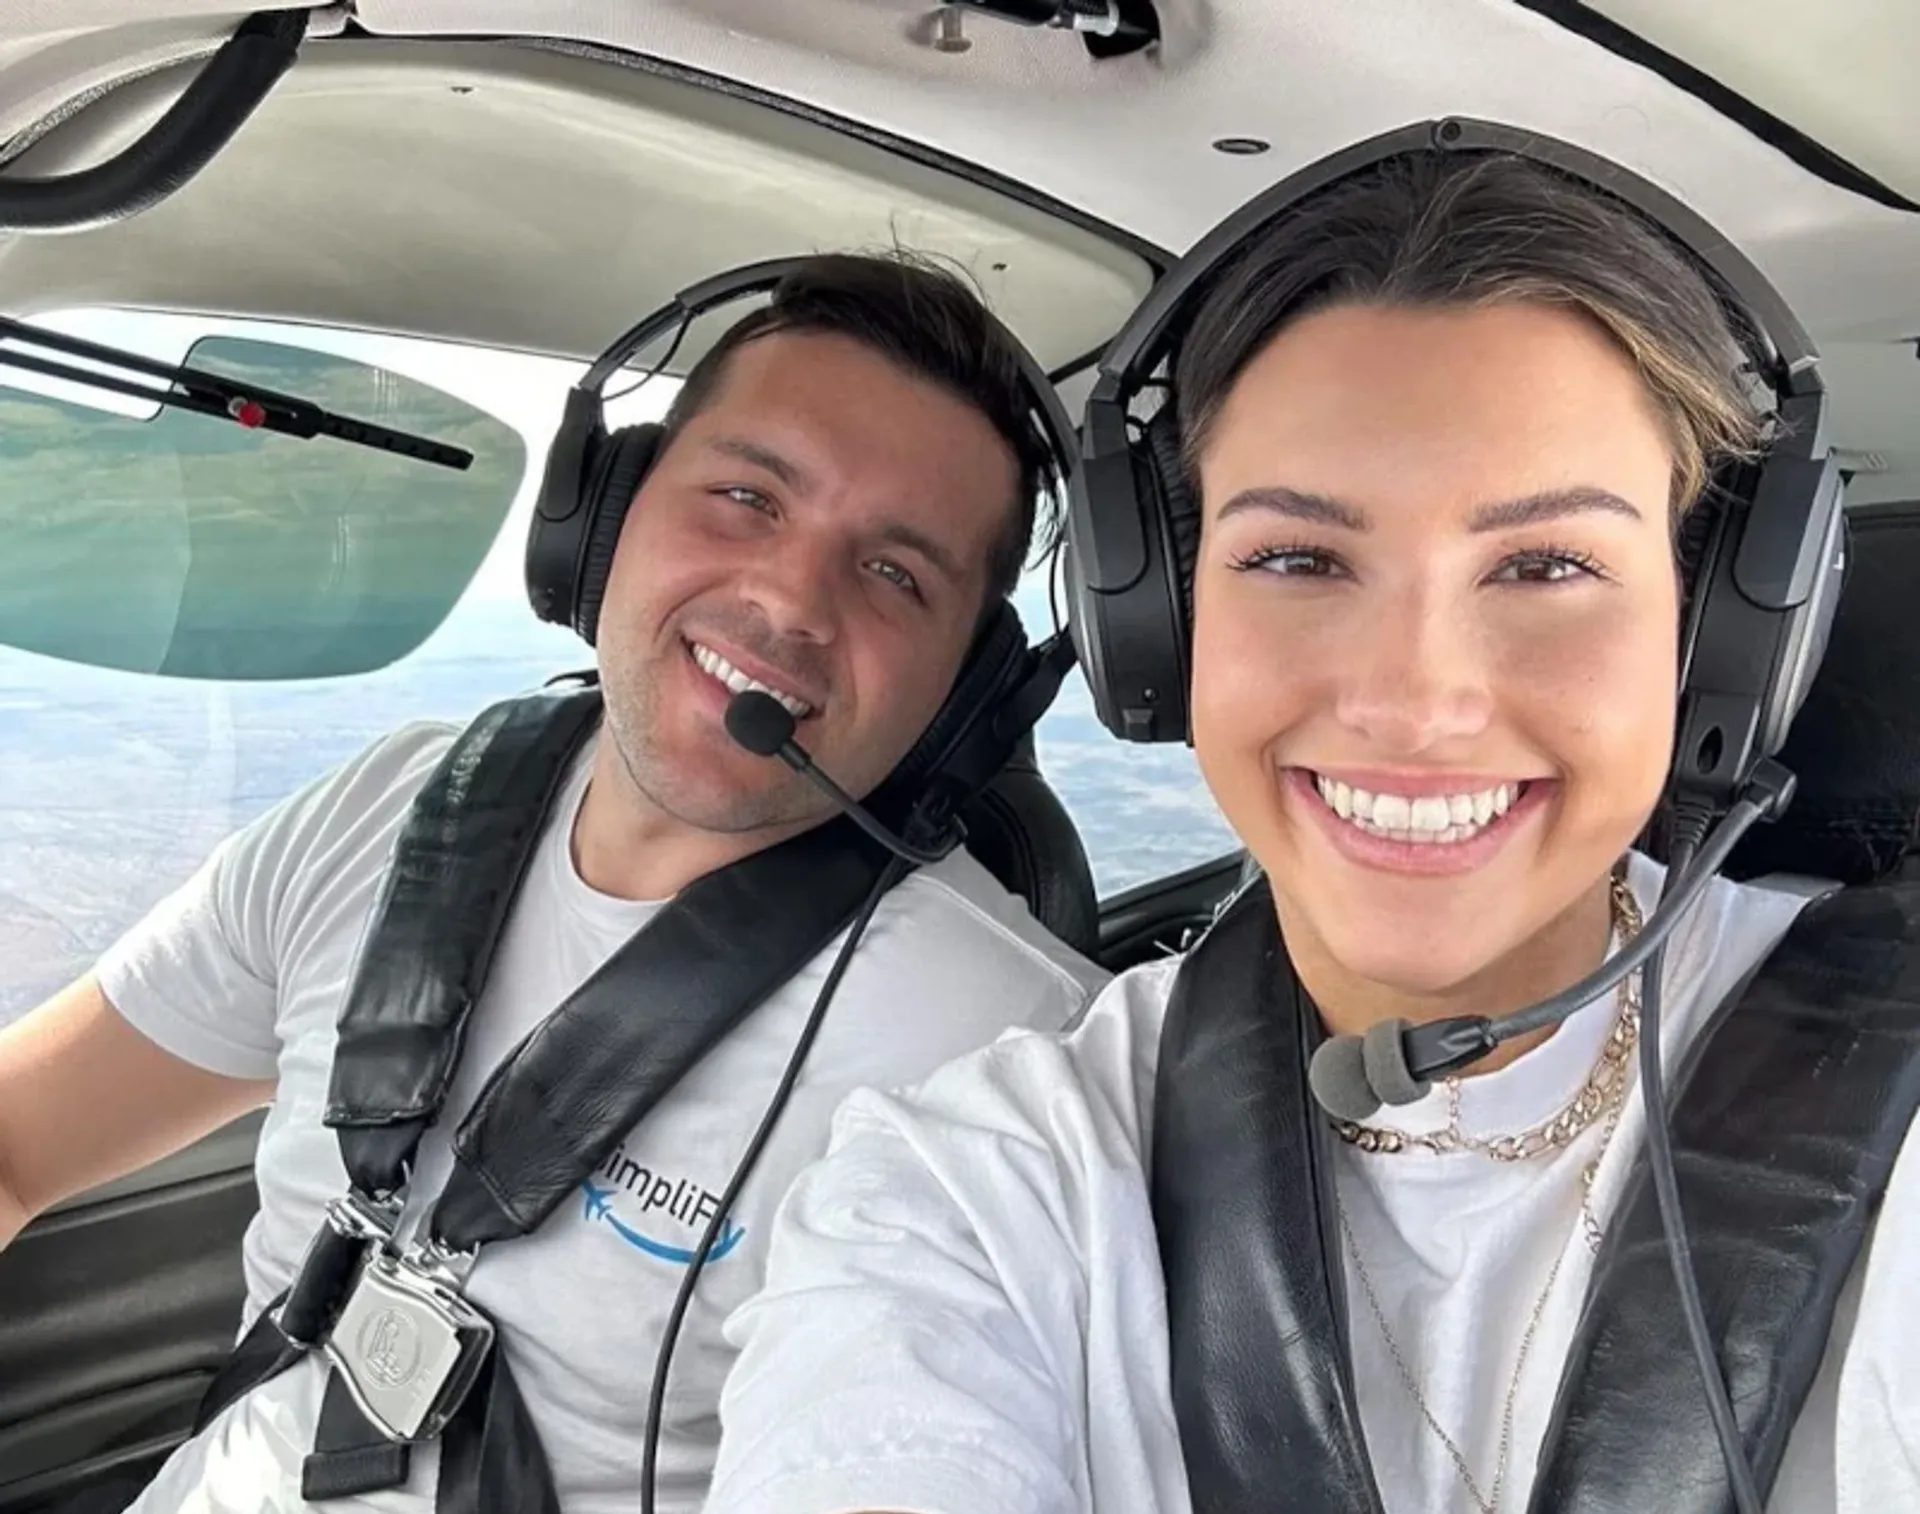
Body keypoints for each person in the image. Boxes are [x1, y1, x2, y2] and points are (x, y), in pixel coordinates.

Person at [704, 141, 1920, 1514]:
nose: (1415, 701)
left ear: (1720, 640)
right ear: (1159, 625)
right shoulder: (971, 1188)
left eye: (1546, 565)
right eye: (1296, 557)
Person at [0, 251, 1108, 1514]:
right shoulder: (397, 805)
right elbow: (20, 1140)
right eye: (747, 496)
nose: (790, 597)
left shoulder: (1010, 1062)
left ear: (969, 692)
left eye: (895, 572)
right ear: (609, 510)